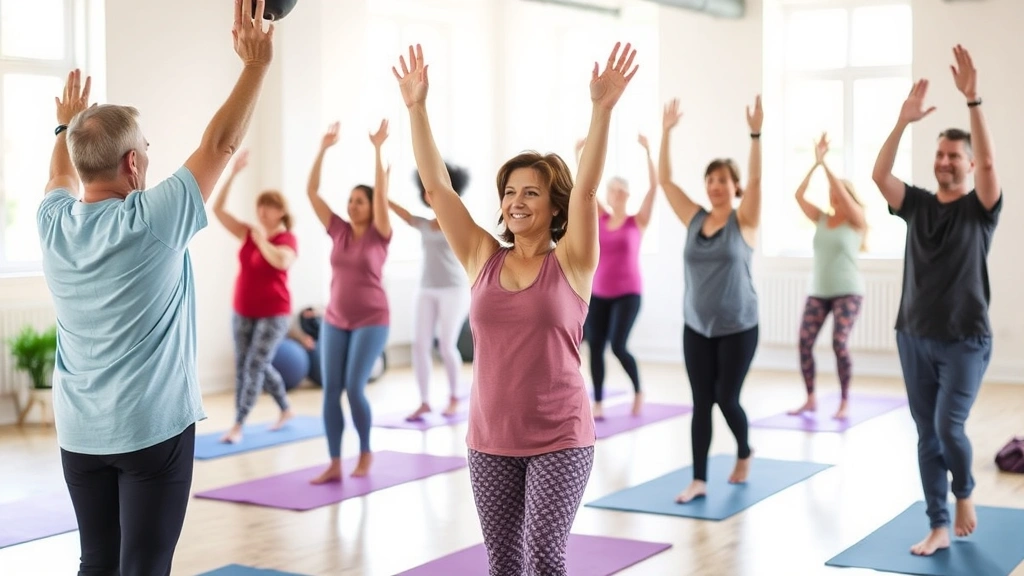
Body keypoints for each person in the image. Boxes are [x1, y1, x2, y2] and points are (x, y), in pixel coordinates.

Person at [34, 1, 273, 572]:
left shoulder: (52, 223)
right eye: (145, 148)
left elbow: (59, 174)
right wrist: (255, 66)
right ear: (134, 166)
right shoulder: (150, 220)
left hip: (80, 432)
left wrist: (67, 126)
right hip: (150, 431)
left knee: (97, 560)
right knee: (144, 564)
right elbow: (218, 145)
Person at [392, 42, 638, 575]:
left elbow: (589, 189)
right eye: (509, 192)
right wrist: (417, 109)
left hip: (560, 436)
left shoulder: (573, 260)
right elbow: (437, 188)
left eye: (531, 192)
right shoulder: (482, 255)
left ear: (555, 205)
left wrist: (601, 112)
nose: (516, 202)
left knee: (545, 557)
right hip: (490, 437)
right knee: (504, 565)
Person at [871, 45, 1001, 557]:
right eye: (941, 154)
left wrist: (973, 100)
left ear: (968, 165)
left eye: (955, 155)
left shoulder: (980, 209)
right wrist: (902, 122)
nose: (946, 160)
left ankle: (964, 493)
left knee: (949, 427)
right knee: (927, 435)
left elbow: (991, 160)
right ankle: (938, 523)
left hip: (966, 338)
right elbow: (880, 175)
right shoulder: (918, 204)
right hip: (913, 335)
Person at [659, 96, 763, 504]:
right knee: (701, 401)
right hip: (696, 325)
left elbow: (756, 183)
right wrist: (666, 132)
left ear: (734, 187)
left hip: (739, 326)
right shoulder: (695, 217)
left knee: (726, 398)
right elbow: (665, 182)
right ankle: (699, 478)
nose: (716, 186)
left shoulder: (745, 221)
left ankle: (744, 450)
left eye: (723, 180)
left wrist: (755, 135)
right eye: (711, 180)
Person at [307, 119, 393, 483]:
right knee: (331, 392)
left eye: (360, 201)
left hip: (372, 320)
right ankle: (334, 461)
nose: (352, 205)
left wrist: (377, 149)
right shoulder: (338, 229)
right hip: (335, 319)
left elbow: (381, 195)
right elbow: (311, 192)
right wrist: (324, 149)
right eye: (350, 201)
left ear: (372, 206)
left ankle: (366, 452)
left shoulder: (380, 233)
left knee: (354, 388)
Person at [212, 148, 298, 443]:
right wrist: (233, 173)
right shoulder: (248, 233)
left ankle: (238, 423)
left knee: (255, 365)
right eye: (260, 206)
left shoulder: (286, 239)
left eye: (269, 206)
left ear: (281, 212)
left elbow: (281, 262)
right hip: (242, 309)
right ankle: (286, 408)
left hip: (274, 314)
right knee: (248, 365)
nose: (262, 211)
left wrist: (262, 240)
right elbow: (218, 210)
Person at [573, 134, 656, 418]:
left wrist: (648, 153)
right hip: (598, 294)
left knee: (619, 346)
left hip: (628, 294)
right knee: (595, 346)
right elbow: (586, 187)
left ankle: (638, 390)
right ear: (608, 195)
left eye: (622, 191)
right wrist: (578, 154)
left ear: (628, 195)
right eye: (613, 190)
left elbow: (654, 188)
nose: (617, 194)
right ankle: (597, 402)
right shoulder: (601, 218)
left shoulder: (637, 222)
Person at [788, 132, 867, 420]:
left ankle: (844, 400)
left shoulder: (857, 221)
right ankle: (810, 398)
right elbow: (798, 195)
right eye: (832, 192)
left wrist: (828, 166)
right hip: (818, 291)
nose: (834, 195)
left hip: (849, 291)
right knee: (804, 343)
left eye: (839, 192)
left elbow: (844, 196)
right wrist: (815, 164)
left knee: (839, 343)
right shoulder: (821, 218)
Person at [388, 163, 472, 421]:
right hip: (427, 288)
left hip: (453, 289)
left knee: (446, 345)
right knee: (420, 345)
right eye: (425, 189)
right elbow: (401, 213)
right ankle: (424, 402)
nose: (428, 193)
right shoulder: (424, 223)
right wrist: (383, 187)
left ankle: (455, 396)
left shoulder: (458, 220)